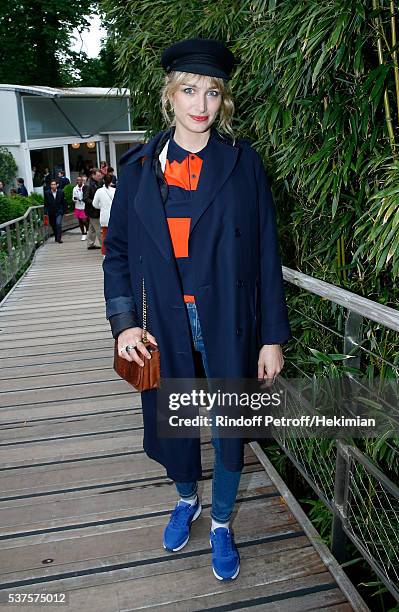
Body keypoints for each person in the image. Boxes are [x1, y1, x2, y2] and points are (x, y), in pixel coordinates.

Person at [103, 38, 292, 581]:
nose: (201, 104)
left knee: (228, 429)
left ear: (223, 99)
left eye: (211, 92)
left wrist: (271, 336)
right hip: (162, 325)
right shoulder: (138, 168)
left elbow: (266, 254)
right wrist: (123, 324)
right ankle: (186, 498)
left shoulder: (243, 164)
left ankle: (223, 523)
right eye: (189, 90)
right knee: (174, 428)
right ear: (170, 95)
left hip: (229, 320)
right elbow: (116, 254)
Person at [92, 174, 115, 257]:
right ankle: (114, 252)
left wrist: (101, 207)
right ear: (111, 181)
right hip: (114, 217)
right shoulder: (115, 190)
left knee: (105, 236)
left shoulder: (99, 191)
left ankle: (105, 254)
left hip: (104, 217)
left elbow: (94, 204)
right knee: (115, 236)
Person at [83, 168, 103, 249]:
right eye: (98, 175)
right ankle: (105, 246)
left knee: (92, 228)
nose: (100, 177)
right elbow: (85, 198)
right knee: (99, 229)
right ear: (93, 175)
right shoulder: (88, 185)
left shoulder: (96, 182)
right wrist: (96, 202)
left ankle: (90, 244)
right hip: (92, 210)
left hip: (94, 209)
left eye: (100, 175)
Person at [72, 175, 89, 240]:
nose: (79, 181)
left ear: (82, 181)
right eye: (77, 180)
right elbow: (73, 198)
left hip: (84, 206)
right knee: (80, 221)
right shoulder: (74, 188)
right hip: (78, 206)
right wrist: (75, 199)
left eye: (80, 180)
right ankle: (83, 234)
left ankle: (87, 230)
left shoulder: (85, 187)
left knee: (84, 220)